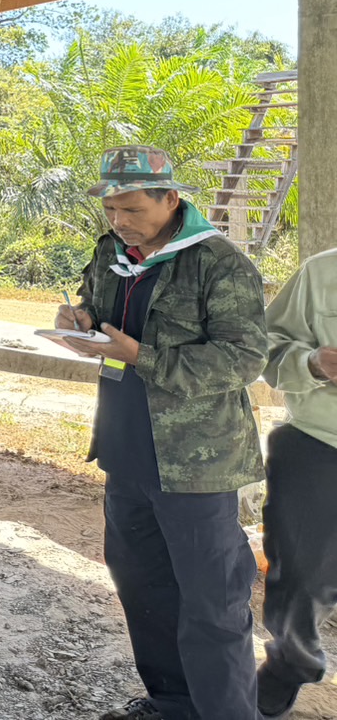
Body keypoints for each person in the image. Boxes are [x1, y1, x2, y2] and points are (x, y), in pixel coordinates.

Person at [48, 145, 268, 720]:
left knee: (212, 604)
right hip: (127, 451)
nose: (119, 222)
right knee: (143, 589)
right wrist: (79, 322)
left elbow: (244, 360)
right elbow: (98, 313)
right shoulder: (112, 254)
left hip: (197, 464)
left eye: (131, 210)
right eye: (111, 210)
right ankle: (172, 703)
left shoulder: (218, 264)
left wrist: (141, 356)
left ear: (171, 199)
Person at [256, 249, 337, 720]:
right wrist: (312, 363)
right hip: (320, 444)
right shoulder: (321, 272)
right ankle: (288, 667)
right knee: (299, 578)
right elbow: (263, 348)